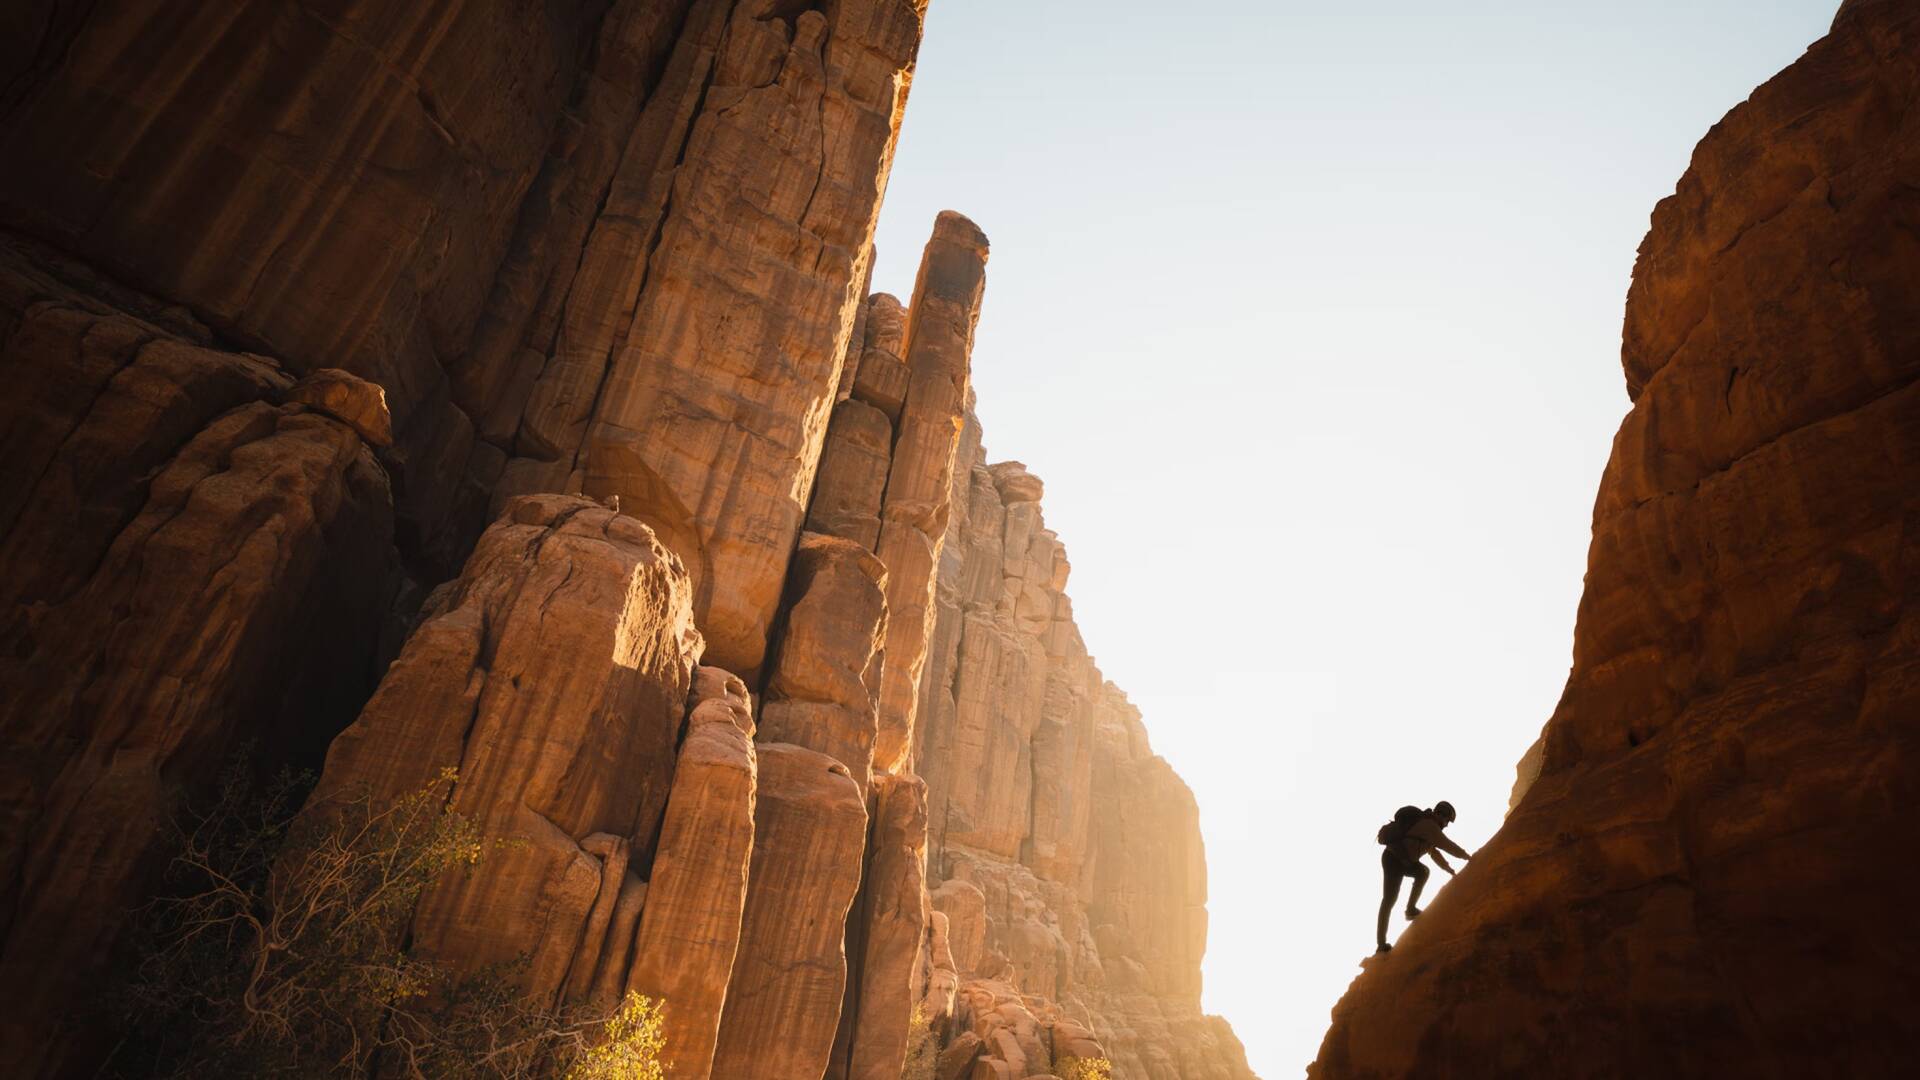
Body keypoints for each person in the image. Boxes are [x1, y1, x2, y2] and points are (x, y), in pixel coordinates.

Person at [1375, 800, 1471, 954]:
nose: (1446, 825)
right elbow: (1447, 845)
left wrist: (1449, 870)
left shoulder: (1428, 827)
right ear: (1442, 815)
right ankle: (1381, 944)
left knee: (1422, 872)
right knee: (1390, 899)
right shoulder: (1429, 826)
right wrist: (1468, 857)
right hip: (1394, 859)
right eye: (1447, 821)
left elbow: (1435, 854)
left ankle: (1410, 909)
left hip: (1402, 859)